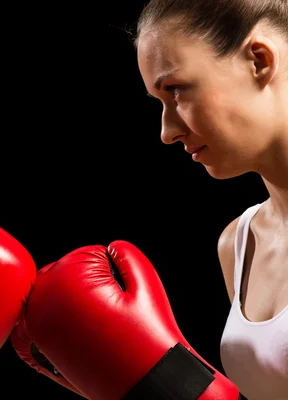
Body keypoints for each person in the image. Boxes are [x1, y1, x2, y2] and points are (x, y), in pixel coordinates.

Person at [135, 0, 288, 398]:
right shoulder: (237, 244)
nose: (167, 131)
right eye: (160, 103)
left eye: (176, 90)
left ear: (259, 61)